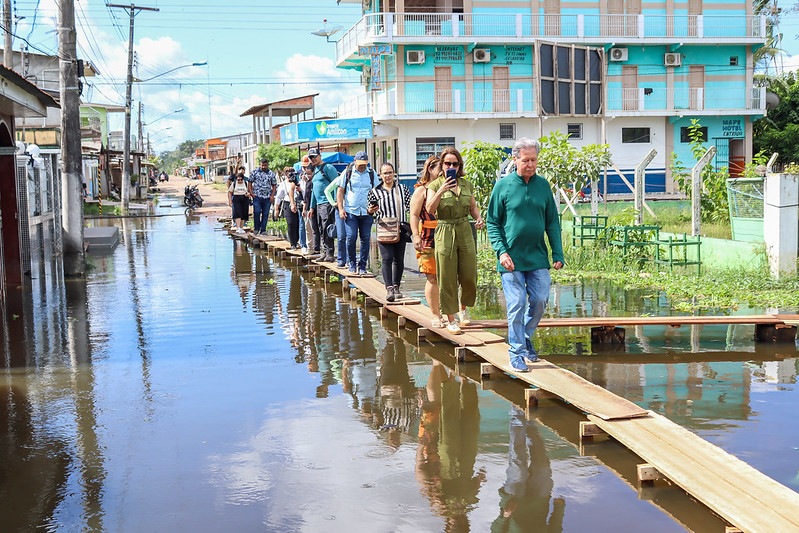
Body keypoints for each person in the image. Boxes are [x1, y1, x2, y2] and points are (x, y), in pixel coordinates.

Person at [486, 137, 563, 372]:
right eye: (526, 160)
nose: (530, 164)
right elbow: (492, 222)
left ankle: (526, 335)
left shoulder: (543, 186)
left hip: (537, 256)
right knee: (517, 303)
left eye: (534, 160)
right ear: (515, 159)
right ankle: (517, 353)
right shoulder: (503, 186)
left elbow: (552, 222)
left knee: (540, 300)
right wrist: (501, 252)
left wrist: (557, 252)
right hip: (511, 259)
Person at [426, 147, 485, 334]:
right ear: (442, 165)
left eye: (454, 163)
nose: (451, 166)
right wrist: (441, 190)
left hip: (464, 228)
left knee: (469, 273)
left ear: (459, 165)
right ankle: (450, 318)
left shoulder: (466, 184)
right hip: (445, 229)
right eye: (447, 163)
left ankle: (463, 309)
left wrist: (478, 218)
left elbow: (473, 206)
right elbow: (429, 209)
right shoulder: (435, 185)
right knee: (447, 276)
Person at [368, 162, 412, 302]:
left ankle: (396, 287)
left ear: (394, 173)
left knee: (398, 259)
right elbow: (370, 211)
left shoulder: (402, 189)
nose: (388, 176)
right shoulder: (374, 192)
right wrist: (370, 211)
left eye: (390, 172)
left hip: (400, 227)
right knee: (386, 258)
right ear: (380, 175)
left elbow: (410, 207)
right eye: (385, 173)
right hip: (384, 229)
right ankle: (388, 289)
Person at [410, 156, 445, 328]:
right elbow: (414, 215)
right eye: (441, 168)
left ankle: (449, 313)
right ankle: (435, 314)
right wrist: (416, 235)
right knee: (432, 277)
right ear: (430, 169)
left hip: (447, 234)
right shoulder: (421, 190)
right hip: (428, 234)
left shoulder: (448, 187)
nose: (444, 171)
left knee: (448, 276)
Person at [337, 151, 377, 275]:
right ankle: (352, 262)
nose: (362, 166)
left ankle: (363, 265)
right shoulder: (347, 173)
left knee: (365, 238)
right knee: (351, 237)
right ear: (355, 161)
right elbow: (340, 191)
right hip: (351, 211)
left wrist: (375, 207)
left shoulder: (371, 173)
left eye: (364, 164)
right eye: (360, 164)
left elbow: (377, 191)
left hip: (367, 212)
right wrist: (341, 209)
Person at [306, 148, 339, 262]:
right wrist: (311, 207)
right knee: (320, 228)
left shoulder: (328, 168)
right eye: (311, 157)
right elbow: (314, 192)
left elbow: (337, 184)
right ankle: (325, 252)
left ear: (320, 156)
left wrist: (335, 201)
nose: (313, 159)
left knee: (327, 228)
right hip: (318, 204)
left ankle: (330, 253)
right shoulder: (315, 170)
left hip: (327, 203)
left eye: (314, 156)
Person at [324, 172, 349, 267]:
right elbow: (327, 191)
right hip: (339, 210)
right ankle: (341, 260)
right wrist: (333, 203)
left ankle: (350, 260)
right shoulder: (339, 179)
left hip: (352, 210)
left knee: (351, 236)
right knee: (341, 236)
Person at [250, 158, 277, 235]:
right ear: (260, 165)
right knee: (257, 212)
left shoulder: (271, 173)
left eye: (265, 165)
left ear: (267, 165)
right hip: (257, 196)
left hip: (267, 197)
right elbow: (250, 182)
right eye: (262, 165)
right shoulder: (254, 172)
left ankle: (263, 229)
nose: (264, 167)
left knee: (265, 213)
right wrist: (251, 193)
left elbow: (274, 185)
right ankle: (256, 228)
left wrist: (272, 196)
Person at [276, 167, 301, 248]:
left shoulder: (298, 182)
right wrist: (276, 209)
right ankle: (292, 243)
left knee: (298, 224)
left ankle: (297, 241)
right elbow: (279, 197)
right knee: (291, 223)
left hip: (298, 203)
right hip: (288, 204)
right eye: (288, 172)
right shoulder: (283, 184)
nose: (290, 174)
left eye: (292, 172)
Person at [227, 167, 252, 233]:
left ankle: (241, 227)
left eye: (241, 180)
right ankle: (238, 227)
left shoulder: (246, 183)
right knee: (237, 213)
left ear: (243, 179)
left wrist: (249, 194)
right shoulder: (234, 184)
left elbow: (250, 191)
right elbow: (230, 192)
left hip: (245, 198)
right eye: (238, 180)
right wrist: (230, 201)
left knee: (244, 213)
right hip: (236, 198)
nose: (239, 181)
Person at [298, 157, 311, 253]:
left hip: (310, 201)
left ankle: (313, 245)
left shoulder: (312, 172)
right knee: (302, 224)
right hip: (301, 201)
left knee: (311, 226)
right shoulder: (298, 174)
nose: (305, 168)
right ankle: (303, 244)